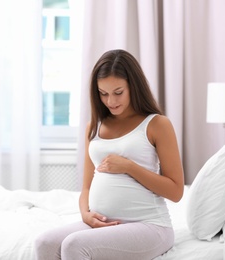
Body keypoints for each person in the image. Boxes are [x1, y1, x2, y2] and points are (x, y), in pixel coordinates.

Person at [34, 49, 184, 260]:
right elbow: (86, 186)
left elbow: (176, 191)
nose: (111, 101)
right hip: (103, 223)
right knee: (44, 244)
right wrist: (86, 215)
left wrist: (128, 167)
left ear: (133, 86)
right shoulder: (93, 127)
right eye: (103, 93)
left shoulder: (157, 124)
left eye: (118, 92)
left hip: (149, 225)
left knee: (75, 246)